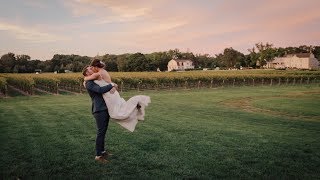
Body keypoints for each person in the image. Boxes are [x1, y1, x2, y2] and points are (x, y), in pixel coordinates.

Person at [84, 59, 151, 132]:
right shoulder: (103, 71)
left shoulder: (98, 74)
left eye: (92, 67)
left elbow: (87, 78)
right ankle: (135, 110)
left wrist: (84, 80)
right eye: (90, 68)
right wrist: (113, 85)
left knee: (116, 113)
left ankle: (135, 107)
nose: (92, 69)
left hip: (110, 94)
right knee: (120, 109)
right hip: (112, 93)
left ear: (95, 67)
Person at [82, 65, 118, 163]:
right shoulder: (89, 83)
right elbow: (100, 90)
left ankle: (102, 151)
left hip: (104, 108)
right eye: (90, 69)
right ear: (86, 73)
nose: (92, 69)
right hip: (99, 110)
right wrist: (111, 84)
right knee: (101, 132)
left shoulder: (93, 81)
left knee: (103, 132)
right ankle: (98, 156)